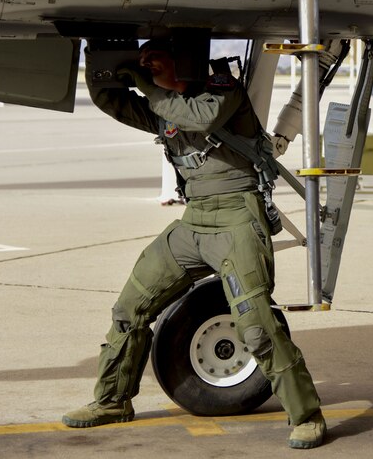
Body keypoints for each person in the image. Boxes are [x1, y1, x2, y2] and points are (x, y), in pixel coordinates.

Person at [63, 39, 326, 449]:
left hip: (237, 218)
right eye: (146, 58)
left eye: (158, 57)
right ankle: (113, 401)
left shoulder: (221, 90)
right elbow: (110, 102)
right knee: (130, 308)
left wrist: (150, 85)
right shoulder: (164, 106)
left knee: (255, 325)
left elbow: (198, 117)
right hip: (194, 221)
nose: (150, 64)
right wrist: (100, 58)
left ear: (182, 61)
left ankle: (306, 415)